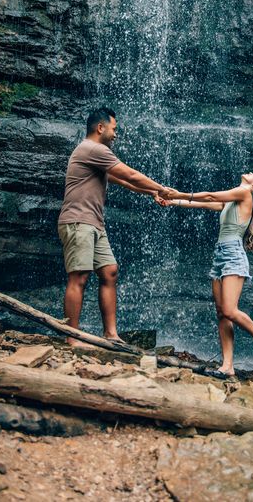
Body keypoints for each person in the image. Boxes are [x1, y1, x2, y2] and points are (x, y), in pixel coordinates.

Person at [58, 106, 171, 346]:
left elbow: (124, 181)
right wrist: (161, 188)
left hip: (94, 223)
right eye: (114, 128)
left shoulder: (95, 155)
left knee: (109, 272)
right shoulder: (93, 149)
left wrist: (153, 192)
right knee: (79, 277)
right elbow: (129, 174)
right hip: (78, 220)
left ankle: (111, 334)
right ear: (100, 128)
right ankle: (72, 337)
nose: (116, 134)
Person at [158, 173, 253, 376]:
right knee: (222, 313)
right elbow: (204, 204)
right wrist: (172, 201)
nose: (252, 173)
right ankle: (227, 365)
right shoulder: (232, 202)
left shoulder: (244, 192)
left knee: (230, 310)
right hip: (220, 255)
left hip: (233, 255)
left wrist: (180, 192)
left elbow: (210, 196)